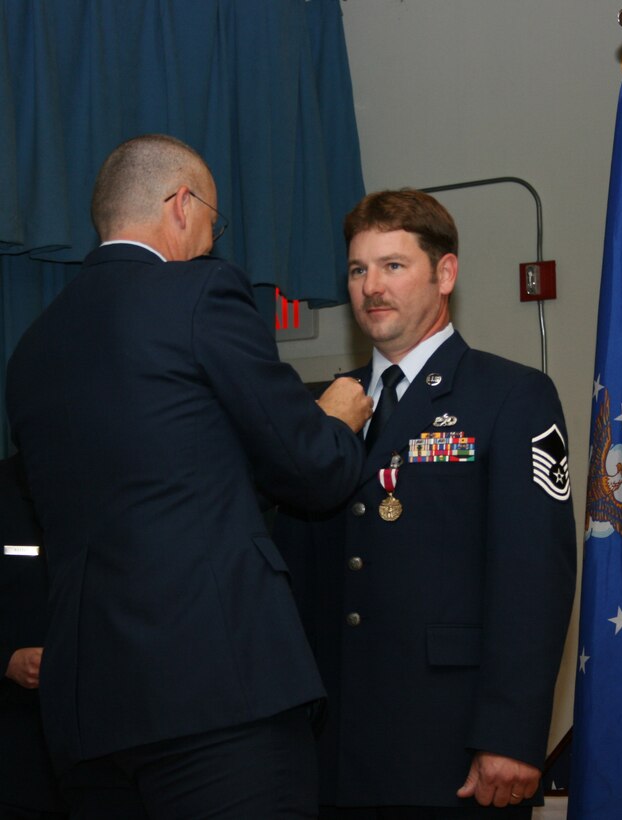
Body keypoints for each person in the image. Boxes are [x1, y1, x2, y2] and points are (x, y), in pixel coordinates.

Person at [5, 134, 372, 819]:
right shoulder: (201, 291)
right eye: (212, 221)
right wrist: (335, 419)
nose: (210, 240)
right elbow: (310, 468)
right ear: (181, 205)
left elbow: (159, 479)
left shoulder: (32, 350)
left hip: (86, 712)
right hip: (215, 692)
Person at [274, 189, 576, 819]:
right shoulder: (319, 407)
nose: (371, 287)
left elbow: (533, 577)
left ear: (445, 274)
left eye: (393, 265)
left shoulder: (510, 395)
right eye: (358, 269)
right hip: (330, 740)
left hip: (449, 736)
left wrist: (511, 734)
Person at [0, 454, 67, 820]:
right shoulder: (5, 489)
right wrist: (6, 661)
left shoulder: (106, 488)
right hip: (17, 746)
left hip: (106, 750)